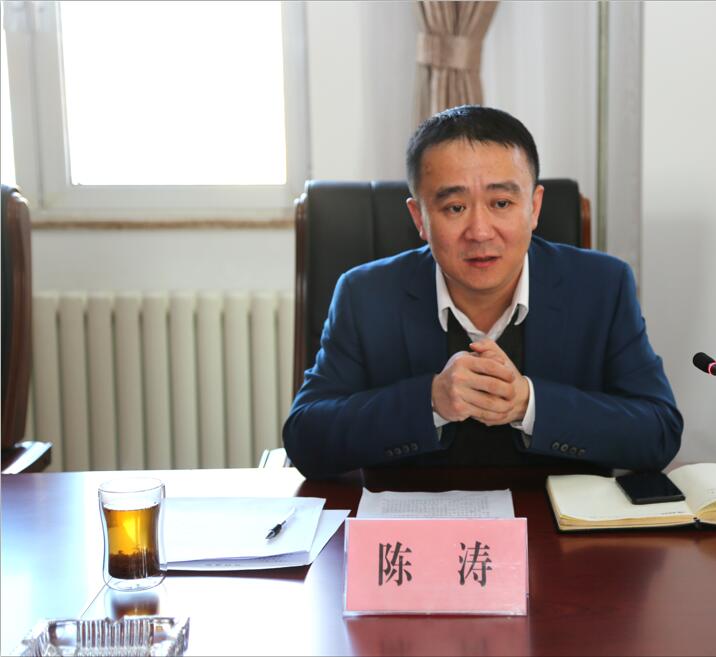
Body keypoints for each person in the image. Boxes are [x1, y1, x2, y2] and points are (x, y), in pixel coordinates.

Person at [283, 105, 682, 478]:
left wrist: (529, 404)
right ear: (419, 218)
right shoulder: (366, 294)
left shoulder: (602, 286)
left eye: (501, 203)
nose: (479, 231)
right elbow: (307, 437)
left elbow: (658, 432)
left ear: (534, 207)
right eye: (454, 208)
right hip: (417, 524)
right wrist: (430, 401)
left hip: (553, 526)